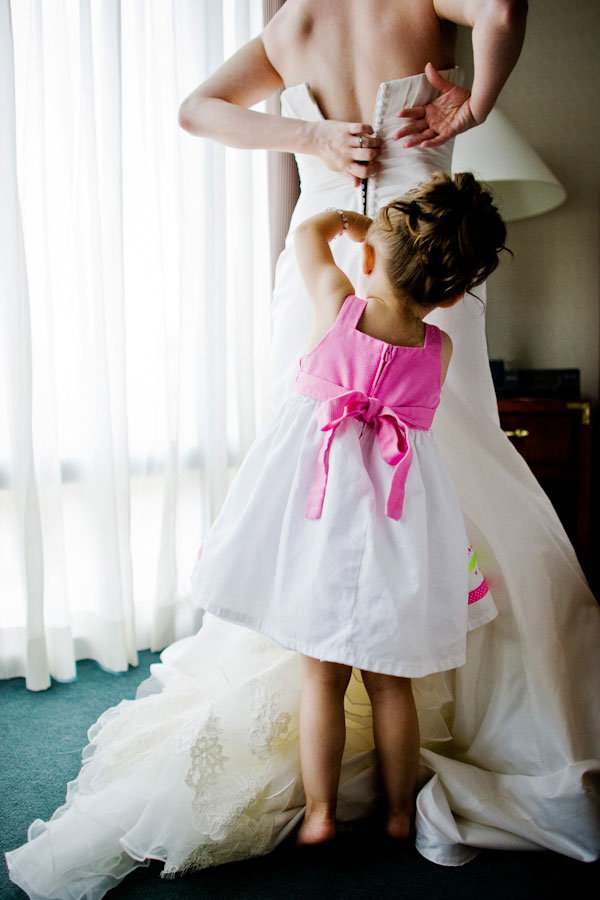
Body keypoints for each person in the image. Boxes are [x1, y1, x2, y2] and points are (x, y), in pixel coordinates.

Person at [6, 1, 600, 896]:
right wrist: (473, 100)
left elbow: (197, 108)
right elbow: (504, 9)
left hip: (326, 258)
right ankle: (434, 652)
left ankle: (318, 659)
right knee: (449, 461)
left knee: (311, 457)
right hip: (423, 268)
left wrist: (312, 137)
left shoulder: (292, 23)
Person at [192, 171, 507, 846]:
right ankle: (398, 815)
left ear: (366, 260)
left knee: (321, 680)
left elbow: (307, 235)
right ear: (452, 293)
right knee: (393, 686)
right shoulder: (439, 347)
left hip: (322, 519)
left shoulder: (338, 303)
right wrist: (389, 253)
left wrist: (352, 225)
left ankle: (320, 814)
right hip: (398, 524)